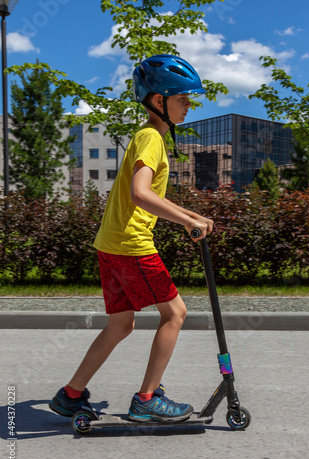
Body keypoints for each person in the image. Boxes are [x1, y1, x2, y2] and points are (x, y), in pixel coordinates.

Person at [49, 54, 213, 423]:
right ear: (159, 101)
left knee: (121, 324)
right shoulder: (151, 137)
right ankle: (147, 399)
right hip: (130, 244)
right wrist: (188, 222)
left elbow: (145, 195)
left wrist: (191, 216)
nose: (189, 105)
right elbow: (141, 194)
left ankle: (70, 395)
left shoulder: (146, 135)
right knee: (175, 314)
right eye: (183, 99)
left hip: (110, 244)